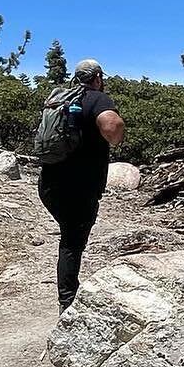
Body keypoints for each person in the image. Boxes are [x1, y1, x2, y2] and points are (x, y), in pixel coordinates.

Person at [37, 57, 125, 313]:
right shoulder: (98, 98)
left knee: (70, 237)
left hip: (49, 184)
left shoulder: (61, 99)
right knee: (72, 243)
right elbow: (112, 126)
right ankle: (67, 302)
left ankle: (68, 294)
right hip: (79, 188)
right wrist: (117, 138)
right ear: (98, 77)